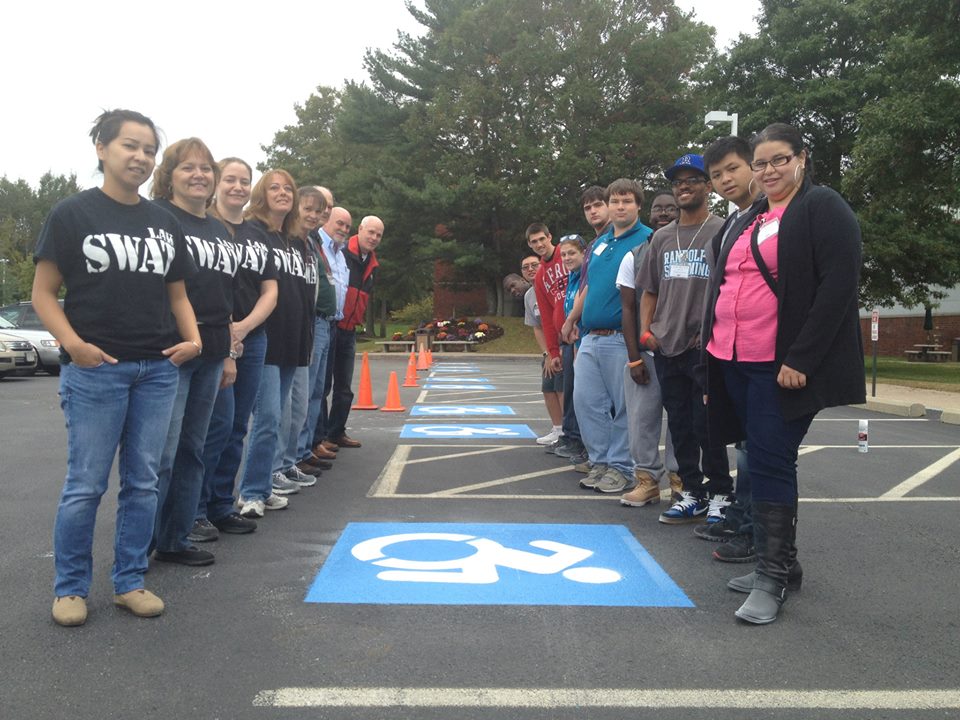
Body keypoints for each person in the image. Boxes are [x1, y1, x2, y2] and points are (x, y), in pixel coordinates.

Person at [33, 109, 200, 626]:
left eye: (149, 150)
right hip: (96, 369)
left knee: (143, 481)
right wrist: (74, 345)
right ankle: (70, 589)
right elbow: (42, 293)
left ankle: (129, 581)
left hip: (156, 370)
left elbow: (177, 292)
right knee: (86, 483)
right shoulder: (72, 214)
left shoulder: (163, 221)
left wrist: (193, 338)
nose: (142, 158)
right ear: (102, 148)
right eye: (131, 146)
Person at [702, 123, 864, 624]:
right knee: (757, 454)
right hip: (733, 358)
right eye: (762, 163)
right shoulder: (751, 217)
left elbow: (838, 287)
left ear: (801, 158)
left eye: (779, 160)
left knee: (772, 462)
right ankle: (783, 566)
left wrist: (801, 358)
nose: (769, 170)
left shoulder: (822, 207)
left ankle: (772, 576)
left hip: (780, 364)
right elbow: (728, 282)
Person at [150, 138, 243, 567]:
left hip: (212, 353)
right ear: (169, 175)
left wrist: (227, 353)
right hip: (172, 353)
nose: (199, 175)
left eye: (206, 168)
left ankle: (174, 537)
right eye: (188, 168)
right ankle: (141, 543)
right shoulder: (158, 219)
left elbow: (224, 298)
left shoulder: (216, 229)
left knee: (194, 449)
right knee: (161, 454)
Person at [638, 154, 733, 524]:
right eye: (678, 182)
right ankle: (691, 491)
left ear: (708, 186)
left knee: (707, 424)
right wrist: (647, 333)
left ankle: (721, 493)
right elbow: (648, 291)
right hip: (666, 346)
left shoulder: (722, 230)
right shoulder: (661, 237)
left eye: (693, 179)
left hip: (703, 348)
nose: (684, 187)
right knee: (679, 425)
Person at [194, 158, 278, 539]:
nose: (238, 187)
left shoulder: (257, 234)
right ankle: (194, 510)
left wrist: (244, 327)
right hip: (213, 339)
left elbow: (270, 289)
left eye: (245, 181)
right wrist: (228, 337)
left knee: (237, 426)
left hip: (252, 337)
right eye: (230, 179)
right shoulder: (206, 228)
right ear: (217, 183)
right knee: (214, 426)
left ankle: (220, 504)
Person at [693, 136, 762, 562]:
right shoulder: (734, 222)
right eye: (716, 174)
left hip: (765, 353)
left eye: (733, 169)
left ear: (751, 165)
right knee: (745, 443)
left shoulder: (775, 215)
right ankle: (740, 514)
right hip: (728, 351)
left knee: (762, 449)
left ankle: (757, 533)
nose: (725, 179)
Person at [561, 178, 653, 494]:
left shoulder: (647, 240)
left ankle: (622, 468)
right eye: (615, 201)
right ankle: (600, 461)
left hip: (621, 338)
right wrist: (572, 318)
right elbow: (590, 287)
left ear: (639, 205)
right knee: (585, 402)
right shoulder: (599, 245)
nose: (620, 207)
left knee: (624, 408)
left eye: (627, 201)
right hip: (591, 336)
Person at [236, 170, 318, 517]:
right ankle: (251, 493)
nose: (283, 193)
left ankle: (263, 484)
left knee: (281, 419)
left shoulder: (295, 240)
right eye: (275, 187)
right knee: (267, 417)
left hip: (292, 341)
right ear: (261, 194)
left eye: (289, 189)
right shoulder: (252, 232)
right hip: (263, 340)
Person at [275, 186, 330, 487]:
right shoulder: (282, 241)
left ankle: (288, 462)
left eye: (318, 211)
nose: (313, 215)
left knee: (300, 405)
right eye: (307, 208)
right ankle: (270, 472)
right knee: (277, 413)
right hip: (280, 337)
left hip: (304, 333)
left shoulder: (308, 246)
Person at [322, 214, 382, 449]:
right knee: (322, 386)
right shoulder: (342, 251)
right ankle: (319, 438)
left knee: (344, 388)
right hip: (331, 325)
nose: (374, 238)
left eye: (378, 235)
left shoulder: (372, 263)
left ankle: (336, 432)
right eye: (371, 232)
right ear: (360, 229)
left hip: (349, 331)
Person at [295, 186, 339, 476]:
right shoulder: (302, 239)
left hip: (324, 321)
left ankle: (305, 448)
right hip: (310, 322)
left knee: (315, 391)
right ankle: (299, 451)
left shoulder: (316, 243)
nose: (322, 212)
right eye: (315, 207)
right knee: (304, 392)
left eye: (327, 207)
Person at [315, 207, 353, 454]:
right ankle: (314, 441)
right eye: (340, 223)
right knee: (317, 388)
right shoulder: (318, 246)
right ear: (326, 220)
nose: (344, 229)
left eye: (348, 226)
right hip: (318, 321)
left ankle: (322, 438)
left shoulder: (340, 254)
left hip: (336, 324)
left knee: (327, 386)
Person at [526, 225, 566, 446]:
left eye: (542, 239)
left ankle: (571, 434)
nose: (540, 244)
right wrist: (550, 352)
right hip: (556, 342)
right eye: (534, 242)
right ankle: (560, 430)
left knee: (567, 389)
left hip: (577, 334)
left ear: (550, 237)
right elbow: (543, 322)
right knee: (550, 383)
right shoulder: (540, 276)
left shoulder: (565, 256)